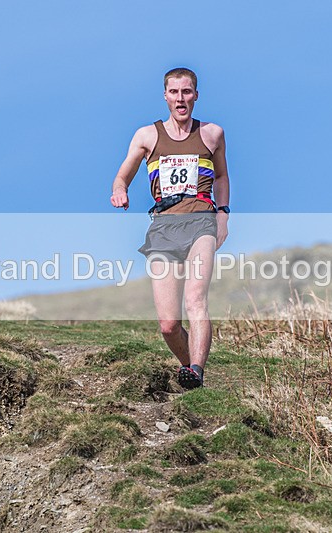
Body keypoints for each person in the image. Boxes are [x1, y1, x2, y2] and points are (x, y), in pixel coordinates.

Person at [110, 67, 231, 390]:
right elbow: (123, 175)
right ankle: (189, 369)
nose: (181, 98)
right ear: (165, 96)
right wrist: (120, 190)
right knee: (167, 325)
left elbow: (221, 177)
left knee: (195, 300)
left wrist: (223, 215)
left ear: (196, 95)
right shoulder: (147, 136)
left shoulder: (212, 134)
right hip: (163, 227)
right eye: (175, 92)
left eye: (187, 92)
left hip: (201, 220)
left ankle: (197, 368)